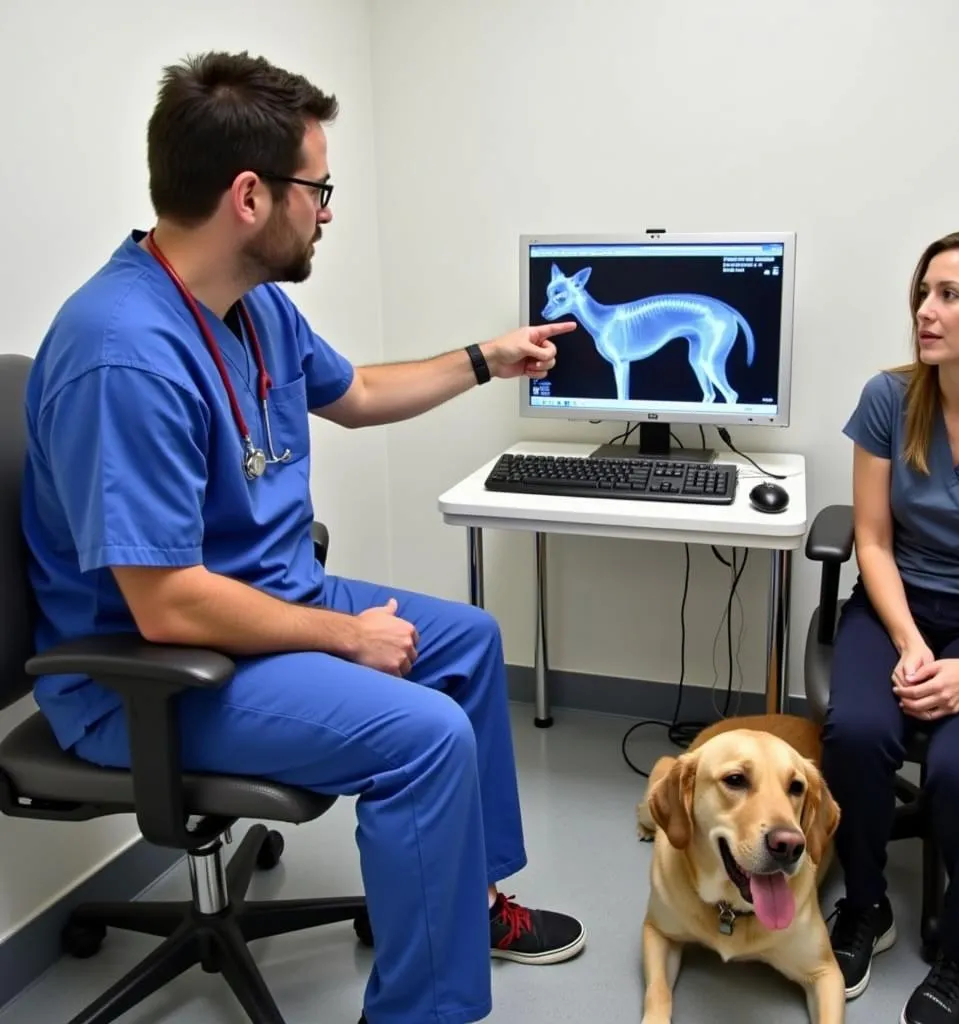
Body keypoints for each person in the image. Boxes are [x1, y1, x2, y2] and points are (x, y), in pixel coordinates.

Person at [21, 51, 585, 1024]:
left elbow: (357, 394)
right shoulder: (125, 354)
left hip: (265, 610)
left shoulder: (254, 307)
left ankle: (470, 898)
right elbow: (164, 604)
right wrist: (345, 637)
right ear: (250, 196)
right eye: (319, 189)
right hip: (150, 672)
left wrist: (484, 359)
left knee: (469, 643)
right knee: (423, 739)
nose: (327, 210)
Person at [821, 228, 959, 1024]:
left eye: (950, 295)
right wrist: (909, 643)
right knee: (858, 733)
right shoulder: (889, 398)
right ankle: (866, 907)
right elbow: (870, 538)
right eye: (922, 294)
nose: (925, 312)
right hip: (897, 604)